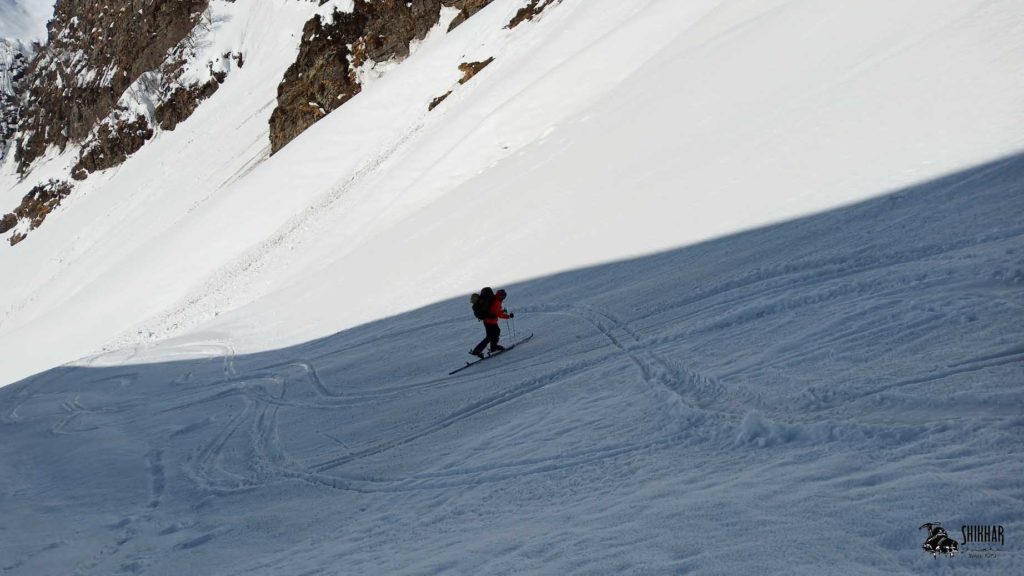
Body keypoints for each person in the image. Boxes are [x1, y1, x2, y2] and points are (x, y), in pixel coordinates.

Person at [470, 287, 513, 358]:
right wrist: (508, 316)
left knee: (496, 332)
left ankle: (493, 347)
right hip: (490, 321)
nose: (504, 298)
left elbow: (494, 311)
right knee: (490, 336)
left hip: (488, 320)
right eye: (503, 296)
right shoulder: (496, 301)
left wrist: (502, 311)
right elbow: (498, 314)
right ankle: (477, 350)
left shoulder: (494, 299)